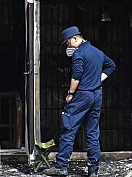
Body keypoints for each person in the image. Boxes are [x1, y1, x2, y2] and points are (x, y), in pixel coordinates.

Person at [44, 26, 116, 177]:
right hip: (97, 95)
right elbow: (111, 65)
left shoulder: (79, 54)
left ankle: (61, 166)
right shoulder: (98, 52)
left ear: (76, 38)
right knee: (92, 132)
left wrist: (70, 94)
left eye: (69, 42)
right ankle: (93, 170)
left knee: (68, 128)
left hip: (82, 95)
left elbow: (76, 76)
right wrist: (98, 79)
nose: (68, 46)